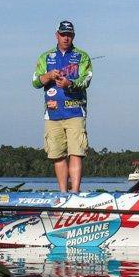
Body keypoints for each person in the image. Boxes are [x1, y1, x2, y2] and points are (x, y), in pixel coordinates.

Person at [32, 20, 93, 193]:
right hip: (52, 113)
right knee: (57, 155)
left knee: (76, 152)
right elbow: (35, 82)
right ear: (56, 35)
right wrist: (49, 75)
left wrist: (69, 83)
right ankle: (62, 193)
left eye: (69, 35)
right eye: (63, 34)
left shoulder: (82, 56)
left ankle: (75, 192)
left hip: (75, 111)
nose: (66, 38)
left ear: (73, 36)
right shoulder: (45, 57)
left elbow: (86, 80)